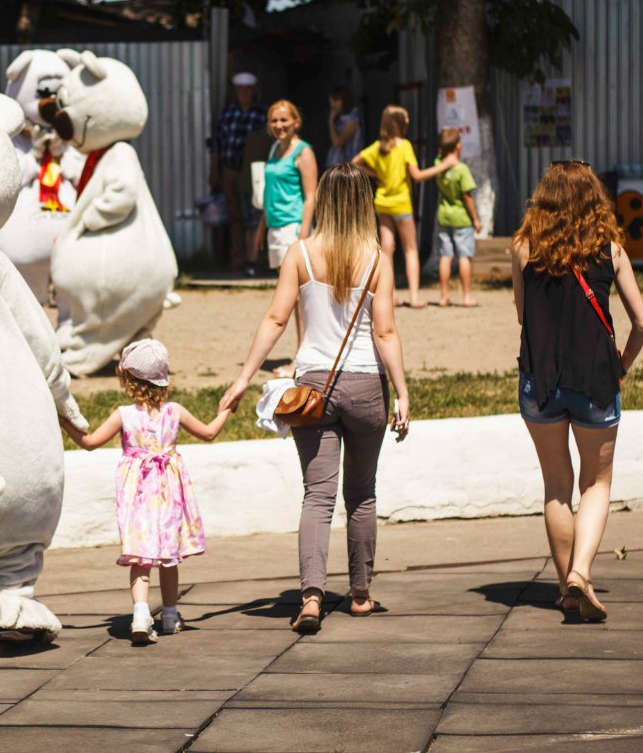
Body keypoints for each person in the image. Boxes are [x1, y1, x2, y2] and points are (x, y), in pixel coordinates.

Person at [222, 164, 410, 634]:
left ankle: (310, 596)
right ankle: (361, 594)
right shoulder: (376, 257)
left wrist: (244, 377)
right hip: (367, 384)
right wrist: (403, 392)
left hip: (313, 388)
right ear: (363, 204)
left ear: (323, 200)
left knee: (318, 495)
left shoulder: (300, 254)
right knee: (361, 494)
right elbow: (385, 331)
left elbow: (275, 318)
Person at [512, 160, 643, 622]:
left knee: (557, 485)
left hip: (540, 377)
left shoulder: (523, 247)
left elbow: (522, 315)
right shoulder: (610, 250)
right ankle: (582, 573)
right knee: (596, 482)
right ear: (595, 200)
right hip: (594, 378)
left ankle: (565, 586)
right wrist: (622, 367)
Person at [61, 339, 229, 643]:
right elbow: (209, 433)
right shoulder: (175, 411)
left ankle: (140, 614)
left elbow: (89, 442)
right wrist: (226, 409)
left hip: (136, 493)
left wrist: (63, 419)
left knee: (140, 556)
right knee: (168, 556)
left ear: (127, 378)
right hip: (169, 492)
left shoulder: (123, 414)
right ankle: (168, 615)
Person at [354, 105, 456, 309]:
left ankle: (389, 296)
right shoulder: (404, 146)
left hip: (382, 203)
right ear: (399, 123)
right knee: (410, 250)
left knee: (387, 250)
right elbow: (417, 176)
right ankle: (414, 296)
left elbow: (355, 162)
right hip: (401, 204)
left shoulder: (377, 147)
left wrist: (375, 176)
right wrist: (443, 167)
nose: (408, 122)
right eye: (406, 119)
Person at [254, 100, 317, 378]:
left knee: (298, 299)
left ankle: (302, 360)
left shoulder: (303, 153)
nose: (279, 126)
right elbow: (268, 193)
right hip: (275, 228)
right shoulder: (274, 150)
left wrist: (303, 234)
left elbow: (311, 195)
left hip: (293, 229)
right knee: (291, 299)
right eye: (274, 121)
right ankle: (305, 355)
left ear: (296, 122)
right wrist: (260, 228)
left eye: (284, 120)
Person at [210, 72, 268, 271]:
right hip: (229, 170)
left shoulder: (261, 114)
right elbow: (217, 143)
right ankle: (239, 259)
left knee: (255, 214)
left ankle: (257, 259)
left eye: (247, 90)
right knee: (234, 217)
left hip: (253, 173)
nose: (244, 93)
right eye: (240, 90)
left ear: (253, 91)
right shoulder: (228, 113)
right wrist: (215, 170)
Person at [433, 128, 482, 307]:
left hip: (444, 216)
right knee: (464, 256)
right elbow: (467, 197)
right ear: (458, 146)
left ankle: (444, 296)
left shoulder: (438, 164)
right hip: (461, 218)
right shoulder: (462, 169)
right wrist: (475, 219)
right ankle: (467, 296)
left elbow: (440, 155)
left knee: (445, 256)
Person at [325, 86, 362, 168]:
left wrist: (330, 121)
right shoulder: (340, 118)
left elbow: (337, 142)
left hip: (349, 167)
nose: (332, 106)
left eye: (335, 101)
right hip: (337, 166)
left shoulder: (352, 119)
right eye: (331, 102)